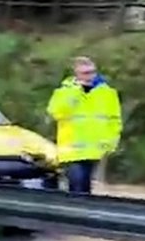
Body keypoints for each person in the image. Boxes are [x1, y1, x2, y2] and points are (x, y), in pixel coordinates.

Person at [46, 56, 121, 196]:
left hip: (94, 150)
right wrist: (75, 91)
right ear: (76, 74)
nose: (90, 76)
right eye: (85, 73)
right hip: (71, 151)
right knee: (77, 185)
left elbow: (114, 119)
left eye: (92, 72)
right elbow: (56, 113)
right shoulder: (63, 92)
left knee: (85, 188)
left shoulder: (107, 93)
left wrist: (112, 142)